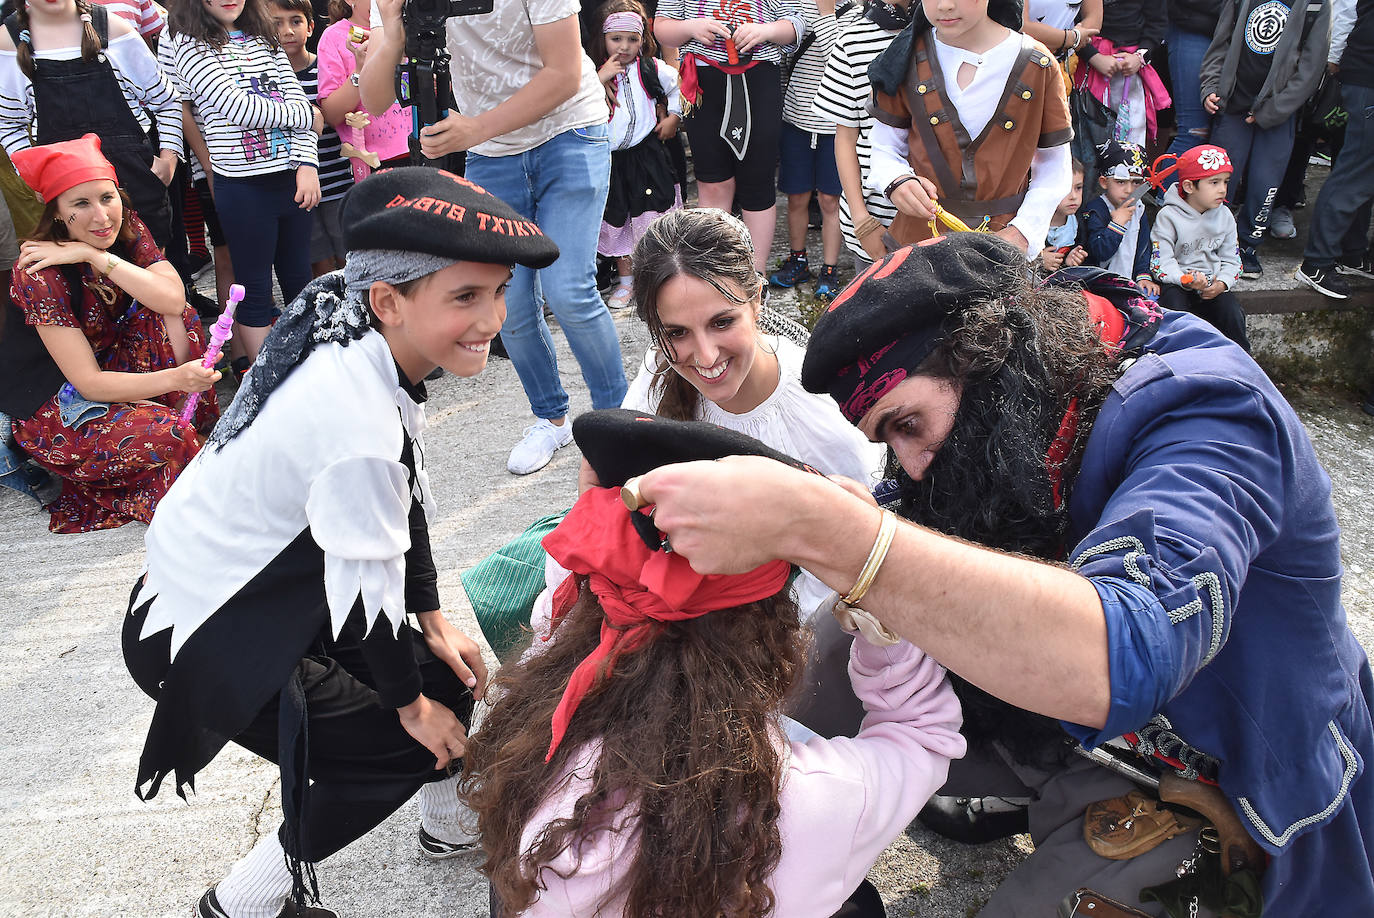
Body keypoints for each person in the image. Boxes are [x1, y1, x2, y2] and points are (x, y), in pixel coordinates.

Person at [633, 232, 1374, 914]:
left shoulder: (1207, 409)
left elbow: (1124, 654)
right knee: (780, 690)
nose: (911, 464)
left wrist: (837, 534)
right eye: (888, 439)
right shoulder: (1028, 398)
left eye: (907, 425)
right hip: (1066, 725)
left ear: (989, 357)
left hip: (1213, 780)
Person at [122, 167, 558, 918]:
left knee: (445, 674)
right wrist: (409, 708)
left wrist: (428, 616)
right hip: (207, 627)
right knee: (402, 741)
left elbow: (402, 497)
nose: (493, 317)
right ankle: (241, 903)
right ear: (389, 299)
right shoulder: (351, 417)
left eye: (498, 289)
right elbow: (363, 592)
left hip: (266, 592)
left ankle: (449, 826)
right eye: (464, 297)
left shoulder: (345, 316)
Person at [460, 410, 965, 918]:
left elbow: (558, 624)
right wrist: (872, 583)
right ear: (771, 628)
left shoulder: (533, 734)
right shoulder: (814, 802)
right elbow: (922, 735)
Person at [359, 0, 629, 477]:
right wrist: (395, 27)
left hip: (568, 130)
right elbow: (375, 100)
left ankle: (623, 424)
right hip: (489, 152)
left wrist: (475, 128)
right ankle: (551, 418)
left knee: (570, 289)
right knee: (511, 305)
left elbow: (565, 72)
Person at [0, 134, 217, 534]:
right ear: (57, 214)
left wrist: (95, 256)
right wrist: (177, 378)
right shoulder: (37, 272)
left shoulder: (124, 229)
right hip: (58, 403)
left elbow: (172, 299)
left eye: (107, 197)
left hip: (110, 362)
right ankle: (175, 426)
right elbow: (87, 383)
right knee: (169, 437)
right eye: (81, 204)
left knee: (177, 313)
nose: (101, 216)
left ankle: (184, 421)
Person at [165, 0, 322, 364]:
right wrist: (307, 115)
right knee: (253, 291)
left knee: (300, 281)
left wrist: (306, 163)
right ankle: (265, 388)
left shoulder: (264, 35)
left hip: (293, 180)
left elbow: (293, 93)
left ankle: (313, 371)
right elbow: (237, 107)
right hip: (244, 188)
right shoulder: (188, 43)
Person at [864, 0, 1073, 256]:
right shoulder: (903, 58)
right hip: (917, 248)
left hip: (1003, 251)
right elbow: (884, 146)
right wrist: (895, 180)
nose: (945, 5)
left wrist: (1023, 231)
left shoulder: (1037, 64)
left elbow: (1055, 165)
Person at [0, 0, 181, 249]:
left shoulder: (113, 28)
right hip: (69, 200)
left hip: (136, 185)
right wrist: (34, 176)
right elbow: (9, 124)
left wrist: (169, 158)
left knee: (152, 279)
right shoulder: (8, 42)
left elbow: (166, 101)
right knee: (91, 283)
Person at [651, 0, 805, 273]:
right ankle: (716, 271)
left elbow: (796, 24)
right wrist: (690, 27)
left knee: (758, 181)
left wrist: (765, 31)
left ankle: (756, 275)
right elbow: (662, 27)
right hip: (703, 81)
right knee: (712, 182)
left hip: (759, 77)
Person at [1200, 0, 1331, 279]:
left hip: (1277, 115)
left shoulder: (1315, 6)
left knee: (1265, 182)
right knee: (1220, 177)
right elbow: (1219, 44)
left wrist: (1271, 111)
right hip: (1233, 106)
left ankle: (1247, 244)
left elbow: (1310, 70)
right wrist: (1211, 86)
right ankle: (1210, 243)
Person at [589, 0, 682, 311]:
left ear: (644, 39)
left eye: (633, 39)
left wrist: (674, 117)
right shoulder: (590, 72)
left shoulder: (650, 68)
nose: (625, 47)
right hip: (610, 160)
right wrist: (599, 78)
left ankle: (655, 277)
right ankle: (626, 281)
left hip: (646, 156)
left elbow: (679, 86)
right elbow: (573, 99)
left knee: (649, 218)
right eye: (616, 39)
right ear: (602, 38)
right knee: (619, 220)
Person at [811, 0, 906, 271]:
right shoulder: (851, 40)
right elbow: (845, 139)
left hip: (944, 219)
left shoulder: (948, 35)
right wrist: (861, 219)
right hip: (874, 216)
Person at [767, 0, 851, 301]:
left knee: (830, 200)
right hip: (796, 118)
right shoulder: (793, 6)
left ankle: (829, 269)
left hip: (836, 126)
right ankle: (798, 259)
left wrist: (827, 13)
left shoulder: (857, 9)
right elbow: (778, 54)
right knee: (797, 196)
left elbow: (839, 59)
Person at [268, 0, 356, 277]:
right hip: (297, 188)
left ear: (310, 27)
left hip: (339, 179)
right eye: (277, 24)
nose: (287, 31)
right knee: (316, 260)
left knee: (350, 255)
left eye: (295, 21)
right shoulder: (267, 79)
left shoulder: (326, 68)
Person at [1297, 0, 1374, 300]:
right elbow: (1346, 7)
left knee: (1363, 174)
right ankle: (1317, 262)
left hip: (1363, 73)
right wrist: (1334, 56)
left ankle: (1352, 253)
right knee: (1356, 172)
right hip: (1367, 77)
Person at [1150, 144, 1248, 350]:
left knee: (1232, 313)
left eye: (1225, 182)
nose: (1222, 189)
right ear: (1188, 186)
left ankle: (1239, 360)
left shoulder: (1225, 216)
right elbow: (1161, 262)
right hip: (1177, 283)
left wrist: (1222, 283)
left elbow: (1232, 259)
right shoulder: (1168, 216)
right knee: (1174, 312)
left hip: (1212, 286)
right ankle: (1177, 358)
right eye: (1214, 182)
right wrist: (1186, 280)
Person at [316, 0, 409, 183]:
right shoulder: (334, 37)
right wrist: (360, 72)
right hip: (371, 162)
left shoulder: (410, 29)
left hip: (421, 151)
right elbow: (332, 114)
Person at [1080, 138, 1157, 297]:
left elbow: (1143, 247)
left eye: (1136, 183)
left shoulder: (1139, 208)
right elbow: (1099, 252)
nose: (1129, 190)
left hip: (1130, 281)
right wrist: (1117, 224)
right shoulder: (1096, 210)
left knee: (1151, 301)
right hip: (1100, 284)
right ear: (1104, 182)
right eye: (1121, 182)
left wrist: (1143, 275)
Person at [1038, 157, 1086, 272]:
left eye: (1078, 188)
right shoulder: (1032, 223)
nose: (1073, 196)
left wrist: (1070, 260)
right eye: (1065, 189)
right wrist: (1038, 260)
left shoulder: (1080, 224)